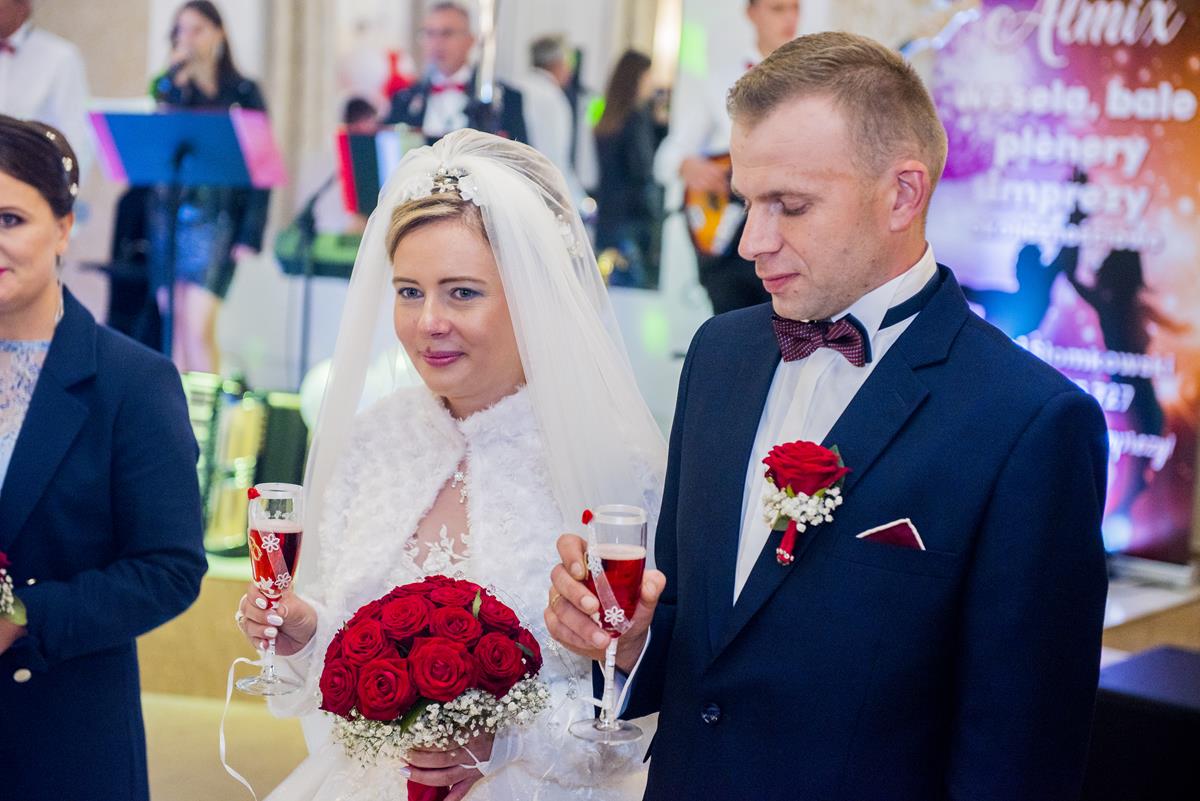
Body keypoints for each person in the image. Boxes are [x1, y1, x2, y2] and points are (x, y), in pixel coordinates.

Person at [547, 32, 1110, 800]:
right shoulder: (719, 355)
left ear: (902, 194)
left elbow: (1019, 755)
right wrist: (629, 637)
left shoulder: (1029, 424)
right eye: (747, 201)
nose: (752, 241)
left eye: (791, 205)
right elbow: (702, 629)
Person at [235, 129, 666, 801]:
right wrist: (306, 634)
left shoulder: (610, 460)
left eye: (461, 293)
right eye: (409, 292)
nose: (428, 321)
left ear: (532, 297)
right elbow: (332, 675)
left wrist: (507, 744)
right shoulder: (372, 439)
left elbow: (644, 703)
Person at [0, 115, 206, 801]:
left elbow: (169, 568)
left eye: (9, 219)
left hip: (60, 736)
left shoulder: (132, 381)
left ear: (63, 227)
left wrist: (23, 616)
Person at [148, 0, 270, 373]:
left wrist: (250, 233)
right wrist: (174, 87)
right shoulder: (172, 88)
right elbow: (158, 148)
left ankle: (203, 408)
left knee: (199, 325)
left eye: (197, 29)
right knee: (173, 326)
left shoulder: (243, 92)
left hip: (216, 220)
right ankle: (175, 407)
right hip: (170, 217)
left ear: (219, 33)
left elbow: (262, 167)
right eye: (181, 30)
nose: (188, 39)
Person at [654, 0, 798, 314]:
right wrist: (688, 165)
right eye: (777, 8)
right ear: (752, 13)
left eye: (794, 8)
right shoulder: (720, 81)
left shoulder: (812, 86)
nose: (789, 18)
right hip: (729, 232)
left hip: (790, 225)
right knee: (733, 323)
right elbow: (668, 156)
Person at [386, 1, 527, 145]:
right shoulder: (404, 99)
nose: (437, 42)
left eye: (447, 33)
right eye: (430, 33)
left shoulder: (504, 98)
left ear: (470, 40)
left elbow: (520, 153)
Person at [0, 0, 94, 181]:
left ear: (23, 5)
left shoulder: (60, 57)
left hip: (32, 180)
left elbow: (77, 135)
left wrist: (65, 188)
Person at [594, 50, 659, 288]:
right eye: (648, 76)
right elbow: (642, 169)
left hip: (608, 215)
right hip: (632, 218)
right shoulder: (636, 117)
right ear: (637, 79)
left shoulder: (607, 116)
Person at [520, 34, 585, 203]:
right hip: (542, 191)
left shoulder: (517, 86)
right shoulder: (553, 98)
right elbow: (556, 157)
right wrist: (576, 200)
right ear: (558, 63)